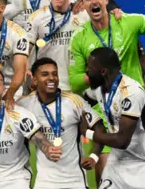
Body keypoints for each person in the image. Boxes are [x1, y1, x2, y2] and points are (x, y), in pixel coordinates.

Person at [81, 47, 145, 189]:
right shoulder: (96, 89)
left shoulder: (132, 92)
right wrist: (95, 155)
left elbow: (121, 140)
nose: (86, 72)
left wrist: (88, 133)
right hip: (116, 164)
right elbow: (86, 111)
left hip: (143, 166)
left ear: (103, 72)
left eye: (90, 67)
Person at [18, 58, 105, 189]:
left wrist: (93, 156)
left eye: (55, 73)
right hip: (44, 183)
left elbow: (99, 128)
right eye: (45, 74)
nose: (52, 78)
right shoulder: (25, 104)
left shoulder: (74, 101)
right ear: (35, 80)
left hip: (75, 181)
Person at [25, 0, 90, 91]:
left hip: (78, 84)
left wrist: (117, 12)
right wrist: (26, 70)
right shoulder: (36, 18)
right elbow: (25, 50)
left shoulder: (83, 14)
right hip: (47, 84)